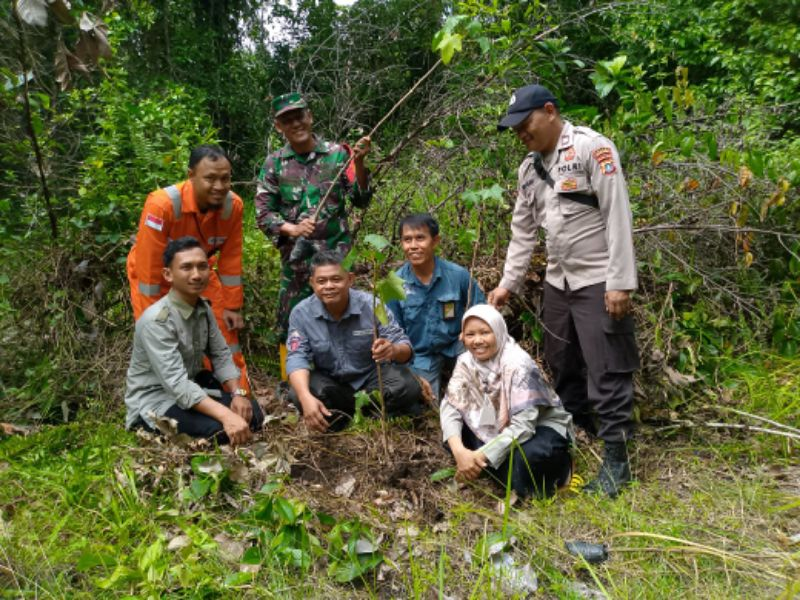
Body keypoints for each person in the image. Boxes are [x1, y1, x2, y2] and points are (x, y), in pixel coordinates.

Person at [488, 84, 640, 497]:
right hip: (559, 282)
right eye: (514, 129)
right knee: (563, 361)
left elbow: (617, 214)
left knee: (606, 368)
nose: (521, 134)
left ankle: (617, 457)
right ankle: (576, 431)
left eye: (526, 124)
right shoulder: (528, 170)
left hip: (598, 280)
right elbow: (522, 234)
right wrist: (507, 284)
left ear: (550, 111)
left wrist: (620, 282)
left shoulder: (593, 150)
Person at [255, 92, 373, 380]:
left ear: (310, 116)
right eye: (287, 120)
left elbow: (360, 199)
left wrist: (358, 162)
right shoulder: (275, 164)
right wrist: (292, 229)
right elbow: (262, 214)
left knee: (343, 314)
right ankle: (292, 383)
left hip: (336, 257)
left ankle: (345, 377)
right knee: (290, 321)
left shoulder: (337, 154)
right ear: (278, 126)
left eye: (299, 116)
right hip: (297, 263)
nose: (296, 123)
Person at [127, 145, 251, 395]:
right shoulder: (162, 205)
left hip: (201, 272)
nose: (219, 186)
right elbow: (149, 271)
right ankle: (167, 399)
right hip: (158, 276)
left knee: (226, 334)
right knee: (164, 334)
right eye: (210, 178)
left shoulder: (233, 206)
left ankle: (239, 396)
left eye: (225, 178)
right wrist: (150, 320)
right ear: (191, 175)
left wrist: (232, 306)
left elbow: (230, 260)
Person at [125, 237, 264, 444]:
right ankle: (145, 426)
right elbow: (177, 384)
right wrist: (226, 415)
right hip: (156, 401)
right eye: (186, 268)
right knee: (220, 430)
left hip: (191, 391)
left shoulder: (203, 307)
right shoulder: (157, 320)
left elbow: (221, 355)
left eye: (202, 267)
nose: (196, 275)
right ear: (168, 274)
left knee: (253, 414)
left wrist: (239, 393)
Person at [441, 304, 573, 498]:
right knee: (453, 433)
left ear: (498, 331)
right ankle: (490, 469)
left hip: (538, 426)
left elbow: (524, 426)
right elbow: (451, 406)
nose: (477, 341)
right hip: (493, 424)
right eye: (470, 335)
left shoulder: (518, 365)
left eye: (485, 333)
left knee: (528, 459)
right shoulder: (466, 361)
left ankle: (560, 469)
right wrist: (459, 451)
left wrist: (478, 456)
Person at [285, 250, 424, 433]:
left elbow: (403, 346)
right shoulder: (301, 313)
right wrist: (305, 397)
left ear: (350, 279)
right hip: (331, 383)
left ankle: (362, 417)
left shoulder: (372, 304)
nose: (329, 286)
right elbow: (296, 357)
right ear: (312, 283)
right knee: (299, 393)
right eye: (321, 281)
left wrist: (393, 350)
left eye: (336, 279)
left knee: (409, 385)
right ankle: (352, 417)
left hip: (371, 380)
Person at [387, 213, 486, 399]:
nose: (413, 246)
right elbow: (392, 333)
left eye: (420, 238)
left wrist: (470, 334)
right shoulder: (394, 284)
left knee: (483, 384)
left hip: (457, 346)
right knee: (424, 401)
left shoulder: (458, 276)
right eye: (407, 240)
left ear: (435, 241)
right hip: (420, 355)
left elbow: (482, 311)